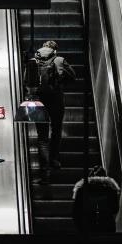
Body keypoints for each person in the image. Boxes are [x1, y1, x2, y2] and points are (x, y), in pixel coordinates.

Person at [27, 40, 76, 184]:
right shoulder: (59, 59)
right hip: (56, 99)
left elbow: (26, 81)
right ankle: (53, 159)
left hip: (38, 100)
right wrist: (60, 85)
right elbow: (73, 76)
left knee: (42, 137)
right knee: (56, 129)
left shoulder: (32, 60)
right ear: (55, 50)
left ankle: (44, 174)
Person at [72, 165, 120, 233]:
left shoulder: (82, 189)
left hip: (88, 225)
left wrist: (81, 227)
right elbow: (115, 209)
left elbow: (75, 212)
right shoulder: (111, 189)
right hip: (107, 225)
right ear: (105, 176)